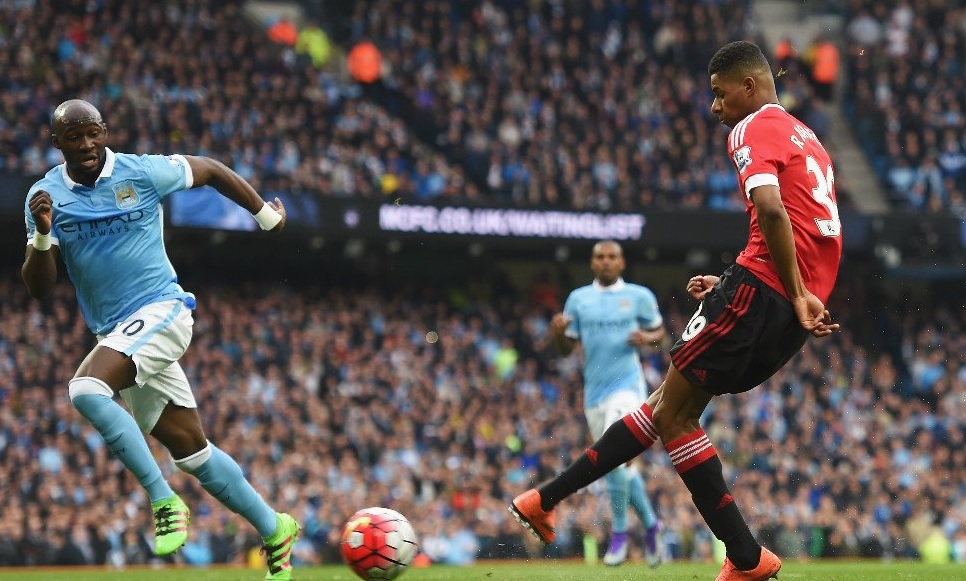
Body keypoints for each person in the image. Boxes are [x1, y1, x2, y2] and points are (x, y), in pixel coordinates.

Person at [509, 40, 842, 581]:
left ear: (749, 86)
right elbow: (802, 226)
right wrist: (752, 284)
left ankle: (746, 557)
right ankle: (544, 500)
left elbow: (772, 211)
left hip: (773, 290)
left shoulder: (750, 127)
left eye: (719, 93)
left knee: (674, 417)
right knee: (664, 405)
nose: (715, 106)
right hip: (786, 301)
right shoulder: (808, 137)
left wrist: (778, 287)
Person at [21, 99, 300, 581]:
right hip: (118, 333)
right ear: (56, 142)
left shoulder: (142, 172)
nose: (86, 144)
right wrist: (44, 236)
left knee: (86, 389)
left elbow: (210, 170)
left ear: (104, 131)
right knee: (193, 452)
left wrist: (265, 216)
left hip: (162, 310)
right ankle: (275, 528)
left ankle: (163, 500)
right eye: (74, 136)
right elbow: (39, 287)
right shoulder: (45, 197)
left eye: (93, 132)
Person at [548, 240, 665, 566]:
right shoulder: (578, 299)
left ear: (621, 262)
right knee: (620, 466)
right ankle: (652, 525)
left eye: (612, 257)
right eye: (600, 257)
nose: (606, 262)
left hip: (628, 388)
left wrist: (648, 339)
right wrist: (558, 334)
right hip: (594, 394)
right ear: (592, 263)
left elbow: (660, 335)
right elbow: (566, 349)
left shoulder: (639, 296)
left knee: (614, 460)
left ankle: (619, 535)